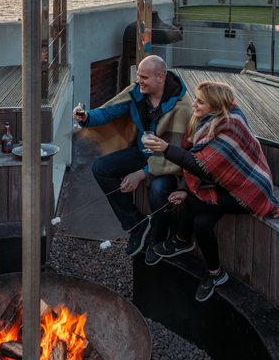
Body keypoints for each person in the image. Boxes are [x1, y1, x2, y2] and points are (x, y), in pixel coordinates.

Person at [145, 81, 279, 301]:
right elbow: (196, 158)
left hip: (248, 191)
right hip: (222, 184)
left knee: (194, 202)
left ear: (215, 106)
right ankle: (216, 274)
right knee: (201, 223)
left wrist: (167, 149)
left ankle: (181, 240)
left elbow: (199, 165)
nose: (193, 103)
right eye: (195, 98)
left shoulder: (230, 125)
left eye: (200, 101)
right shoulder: (204, 120)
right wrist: (185, 188)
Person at [74, 55, 192, 262]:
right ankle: (135, 223)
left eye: (144, 77)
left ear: (161, 77)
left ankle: (157, 240)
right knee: (100, 168)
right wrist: (87, 117)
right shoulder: (136, 92)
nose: (139, 81)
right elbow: (109, 112)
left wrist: (142, 173)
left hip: (167, 161)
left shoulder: (182, 106)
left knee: (157, 191)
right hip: (142, 153)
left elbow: (177, 153)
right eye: (138, 76)